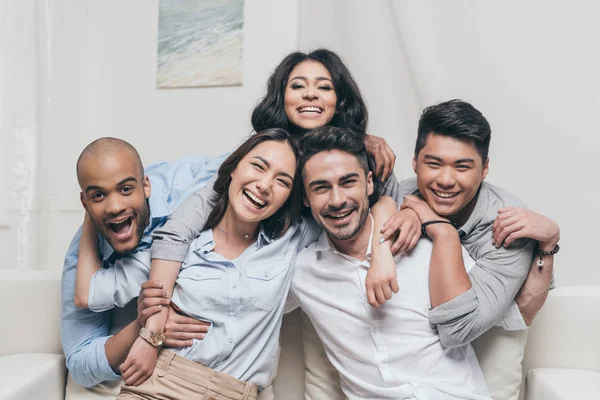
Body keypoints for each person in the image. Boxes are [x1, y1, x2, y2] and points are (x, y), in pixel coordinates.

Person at [288, 126, 497, 399]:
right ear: (305, 198)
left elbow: (503, 311)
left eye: (348, 182)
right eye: (321, 188)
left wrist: (546, 249)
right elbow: (242, 306)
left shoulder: (430, 248)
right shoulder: (301, 273)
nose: (337, 200)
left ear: (370, 183)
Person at [374, 100, 559, 346]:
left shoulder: (508, 226)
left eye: (462, 167)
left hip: (484, 352)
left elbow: (458, 330)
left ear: (485, 169)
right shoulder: (400, 195)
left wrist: (436, 225)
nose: (446, 180)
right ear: (415, 162)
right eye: (434, 164)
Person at [61, 137, 224, 397]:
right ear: (84, 203)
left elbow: (254, 163)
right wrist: (148, 326)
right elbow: (80, 363)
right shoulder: (84, 255)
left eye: (126, 189)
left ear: (146, 185)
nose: (115, 207)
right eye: (98, 195)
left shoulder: (186, 187)